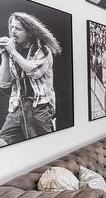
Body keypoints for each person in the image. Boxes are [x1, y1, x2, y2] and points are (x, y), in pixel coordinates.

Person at [0, 12, 61, 147]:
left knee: (44, 148)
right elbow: (4, 83)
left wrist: (12, 52)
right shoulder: (12, 51)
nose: (13, 32)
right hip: (17, 107)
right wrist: (5, 54)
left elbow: (34, 72)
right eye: (11, 27)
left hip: (39, 108)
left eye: (18, 28)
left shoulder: (43, 50)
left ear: (29, 31)